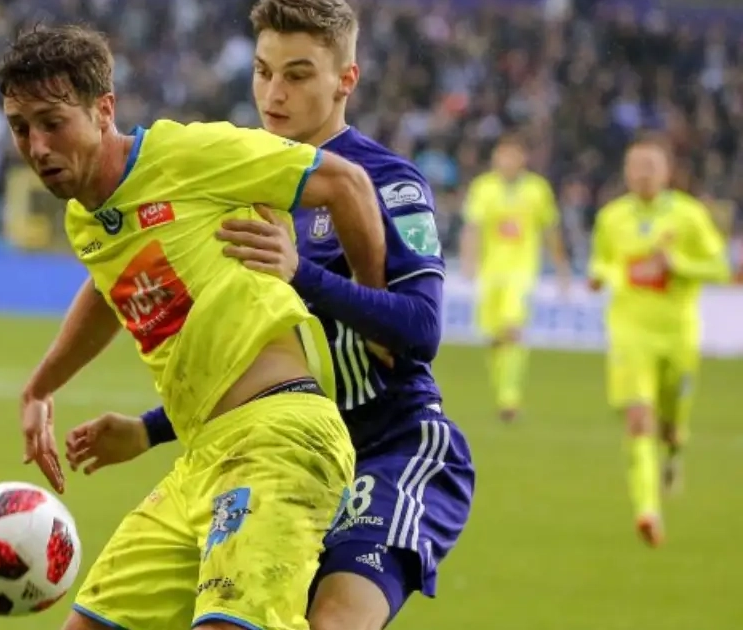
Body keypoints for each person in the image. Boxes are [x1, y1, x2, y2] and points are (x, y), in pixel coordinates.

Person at [65, 1, 474, 628]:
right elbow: (253, 357)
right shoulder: (235, 176)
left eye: (298, 75)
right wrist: (148, 431)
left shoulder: (387, 182)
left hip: (389, 446)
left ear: (345, 80)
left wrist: (303, 274)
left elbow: (420, 332)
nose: (274, 94)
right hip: (275, 452)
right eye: (263, 72)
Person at [0, 22, 391, 630]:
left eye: (53, 122)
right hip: (200, 459)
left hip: (278, 440)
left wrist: (372, 310)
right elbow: (109, 285)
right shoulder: (87, 218)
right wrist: (40, 387)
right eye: (21, 128)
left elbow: (347, 183)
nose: (37, 146)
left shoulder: (186, 154)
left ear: (104, 111)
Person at [587, 136, 730, 547]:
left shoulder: (689, 215)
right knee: (638, 418)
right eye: (635, 166)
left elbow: (721, 268)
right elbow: (602, 261)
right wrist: (601, 275)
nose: (642, 173)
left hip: (678, 335)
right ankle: (647, 511)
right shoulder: (612, 217)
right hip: (630, 332)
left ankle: (674, 451)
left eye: (650, 165)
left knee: (669, 427)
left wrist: (677, 264)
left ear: (667, 171)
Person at [460, 134, 571, 422]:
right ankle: (502, 391)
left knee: (512, 328)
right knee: (493, 337)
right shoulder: (483, 187)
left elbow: (550, 230)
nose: (506, 161)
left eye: (512, 155)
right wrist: (468, 261)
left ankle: (510, 398)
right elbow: (472, 227)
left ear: (523, 159)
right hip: (490, 273)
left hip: (522, 272)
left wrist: (561, 268)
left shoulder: (537, 189)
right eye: (501, 155)